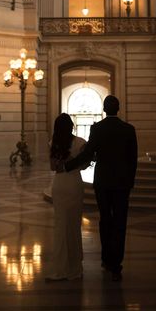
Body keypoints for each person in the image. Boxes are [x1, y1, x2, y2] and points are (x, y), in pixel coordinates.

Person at [59, 95, 138, 281]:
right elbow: (132, 160)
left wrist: (68, 166)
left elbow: (88, 153)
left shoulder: (97, 129)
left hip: (103, 182)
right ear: (118, 108)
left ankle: (106, 258)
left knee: (105, 220)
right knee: (120, 222)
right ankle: (116, 264)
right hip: (122, 183)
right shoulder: (129, 129)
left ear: (104, 108)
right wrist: (130, 181)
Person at [46, 113, 88, 281]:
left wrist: (62, 161)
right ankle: (75, 269)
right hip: (74, 185)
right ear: (71, 126)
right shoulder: (80, 143)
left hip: (59, 186)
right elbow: (84, 166)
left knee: (61, 227)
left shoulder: (53, 143)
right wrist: (73, 160)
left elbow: (53, 167)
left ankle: (61, 269)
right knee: (74, 226)